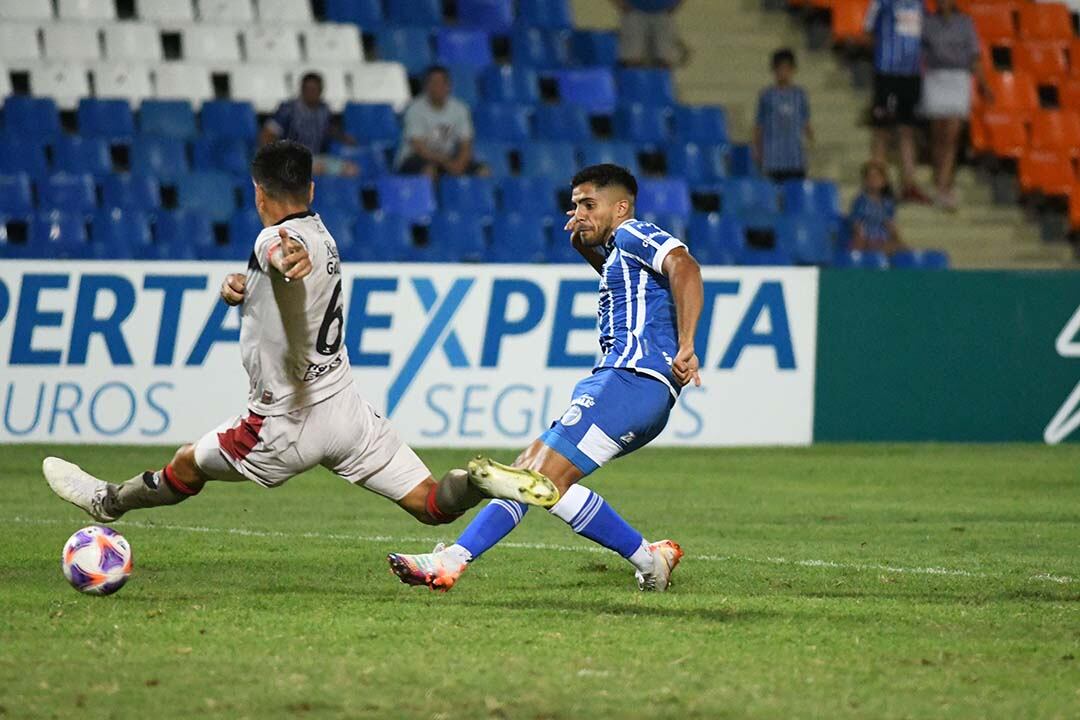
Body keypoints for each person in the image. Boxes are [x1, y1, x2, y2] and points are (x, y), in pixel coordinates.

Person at [42, 141, 557, 537]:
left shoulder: (275, 240)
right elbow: (285, 273)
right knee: (430, 503)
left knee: (185, 465)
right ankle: (478, 482)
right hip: (345, 409)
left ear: (258, 193)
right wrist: (245, 288)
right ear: (310, 191)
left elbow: (281, 258)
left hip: (284, 421)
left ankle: (107, 501)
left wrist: (280, 268)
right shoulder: (323, 233)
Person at [387, 164, 705, 593]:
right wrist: (584, 247)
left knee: (539, 479)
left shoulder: (634, 233)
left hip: (632, 380)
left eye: (590, 205)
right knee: (527, 473)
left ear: (621, 207)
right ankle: (650, 558)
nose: (579, 213)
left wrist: (687, 344)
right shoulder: (618, 253)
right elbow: (631, 285)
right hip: (627, 385)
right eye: (575, 205)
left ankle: (451, 560)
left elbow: (684, 267)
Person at [922, 0, 989, 211]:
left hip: (958, 79)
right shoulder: (928, 23)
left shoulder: (965, 23)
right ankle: (939, 180)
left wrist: (983, 84)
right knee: (937, 135)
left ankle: (943, 185)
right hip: (935, 78)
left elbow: (974, 56)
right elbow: (920, 53)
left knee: (952, 136)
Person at [864, 0, 931, 204]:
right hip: (887, 73)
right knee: (882, 129)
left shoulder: (920, 4)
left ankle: (909, 184)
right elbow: (868, 30)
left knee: (907, 130)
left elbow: (924, 34)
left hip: (911, 75)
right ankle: (877, 184)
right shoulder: (882, 2)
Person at [395, 66, 486, 179]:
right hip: (416, 158)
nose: (437, 87)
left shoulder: (460, 108)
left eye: (441, 83)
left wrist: (460, 164)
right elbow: (419, 147)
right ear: (426, 86)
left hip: (449, 156)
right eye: (433, 83)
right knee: (429, 171)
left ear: (449, 86)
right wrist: (447, 162)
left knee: (483, 171)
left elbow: (466, 143)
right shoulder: (414, 109)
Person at [260, 73, 358, 176]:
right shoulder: (288, 109)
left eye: (314, 89)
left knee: (351, 169)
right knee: (313, 169)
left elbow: (332, 131)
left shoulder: (324, 110)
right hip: (292, 158)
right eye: (307, 89)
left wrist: (346, 139)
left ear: (321, 91)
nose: (311, 93)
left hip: (317, 157)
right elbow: (268, 132)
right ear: (301, 90)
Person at [753, 48, 814, 183]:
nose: (783, 73)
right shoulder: (766, 96)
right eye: (780, 69)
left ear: (793, 70)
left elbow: (806, 123)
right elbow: (759, 126)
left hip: (795, 158)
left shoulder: (800, 95)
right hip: (773, 159)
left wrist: (811, 144)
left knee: (795, 196)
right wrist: (757, 150)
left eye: (787, 69)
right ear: (774, 70)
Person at [850, 160, 906, 256]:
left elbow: (890, 226)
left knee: (902, 249)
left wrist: (897, 239)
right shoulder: (860, 201)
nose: (873, 180)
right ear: (865, 181)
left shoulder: (887, 203)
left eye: (877, 177)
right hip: (865, 240)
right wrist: (865, 239)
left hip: (883, 240)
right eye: (869, 177)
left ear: (884, 181)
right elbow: (857, 225)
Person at [612, 0, 688, 68]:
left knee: (665, 59)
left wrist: (676, 5)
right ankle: (633, 82)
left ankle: (660, 82)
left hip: (663, 14)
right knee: (632, 59)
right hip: (634, 13)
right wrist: (620, 3)